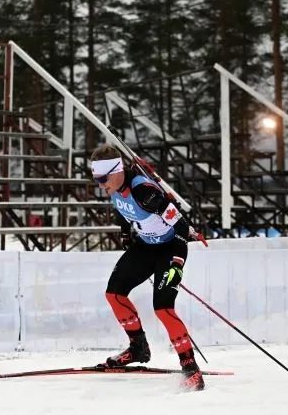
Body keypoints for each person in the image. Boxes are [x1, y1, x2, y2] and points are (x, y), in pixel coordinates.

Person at [90, 143, 205, 391]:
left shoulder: (144, 190)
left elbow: (180, 224)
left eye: (103, 178)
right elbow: (124, 211)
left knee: (163, 308)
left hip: (171, 247)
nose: (101, 185)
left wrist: (177, 261)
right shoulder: (115, 186)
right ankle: (138, 348)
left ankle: (190, 368)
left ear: (117, 170)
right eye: (96, 179)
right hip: (146, 245)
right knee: (114, 294)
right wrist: (125, 234)